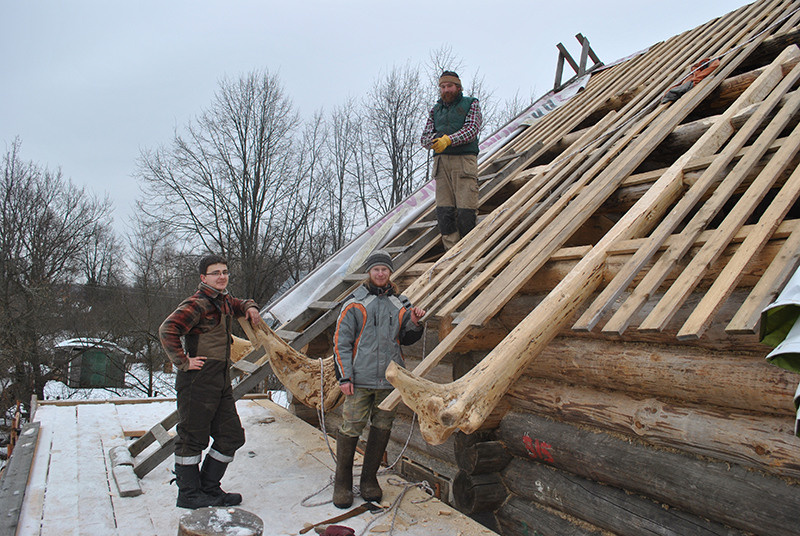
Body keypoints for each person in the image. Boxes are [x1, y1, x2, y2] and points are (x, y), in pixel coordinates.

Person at [159, 254, 261, 509]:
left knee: (231, 435)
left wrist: (250, 307)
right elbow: (167, 329)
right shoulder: (198, 303)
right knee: (192, 438)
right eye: (216, 273)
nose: (222, 276)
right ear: (203, 277)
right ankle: (189, 494)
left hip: (220, 379)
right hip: (198, 380)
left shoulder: (223, 300)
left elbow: (239, 303)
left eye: (225, 272)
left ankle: (208, 488)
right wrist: (183, 361)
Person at [332, 249, 426, 508]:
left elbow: (405, 338)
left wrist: (415, 322)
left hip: (388, 380)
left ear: (390, 272)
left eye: (385, 269)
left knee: (382, 427)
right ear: (369, 272)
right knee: (351, 428)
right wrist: (345, 377)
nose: (381, 273)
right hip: (359, 381)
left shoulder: (401, 303)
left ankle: (369, 481)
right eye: (376, 269)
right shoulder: (354, 303)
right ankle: (342, 483)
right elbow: (341, 342)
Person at [420, 70, 483, 250]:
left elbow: (472, 129)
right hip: (441, 164)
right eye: (442, 87)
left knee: (466, 211)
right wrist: (434, 141)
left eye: (449, 86)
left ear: (458, 87)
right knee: (444, 212)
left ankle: (469, 251)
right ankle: (451, 254)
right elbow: (424, 136)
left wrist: (449, 139)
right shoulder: (435, 110)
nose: (446, 90)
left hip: (463, 161)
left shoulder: (470, 104)